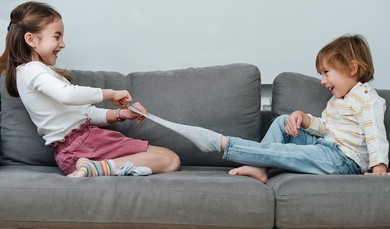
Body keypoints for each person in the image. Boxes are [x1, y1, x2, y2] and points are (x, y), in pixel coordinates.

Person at [128, 34, 389, 182]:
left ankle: (224, 144)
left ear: (352, 68)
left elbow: (375, 133)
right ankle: (261, 167)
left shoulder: (366, 99)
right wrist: (304, 119)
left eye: (326, 73)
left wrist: (379, 168)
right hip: (327, 149)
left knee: (296, 155)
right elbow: (325, 128)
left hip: (344, 162)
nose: (322, 81)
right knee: (282, 120)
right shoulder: (338, 101)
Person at [0, 2, 180, 177]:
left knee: (168, 158)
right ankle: (99, 168)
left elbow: (83, 113)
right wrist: (110, 93)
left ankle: (95, 168)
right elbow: (67, 95)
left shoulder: (36, 73)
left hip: (74, 153)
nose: (63, 44)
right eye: (57, 37)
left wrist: (120, 114)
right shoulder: (32, 70)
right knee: (170, 159)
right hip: (82, 144)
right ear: (30, 39)